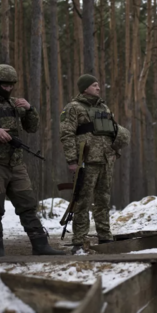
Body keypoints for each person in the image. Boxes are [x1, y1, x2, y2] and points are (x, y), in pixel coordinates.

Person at [0, 64, 65, 257]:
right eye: (4, 85)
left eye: (11, 86)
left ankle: (40, 245)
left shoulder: (14, 103)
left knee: (28, 204)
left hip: (16, 164)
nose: (8, 89)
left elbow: (32, 128)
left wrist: (30, 109)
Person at [60, 74, 130, 254]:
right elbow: (67, 134)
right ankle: (79, 241)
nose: (98, 88)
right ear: (84, 88)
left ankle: (105, 237)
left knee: (103, 201)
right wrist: (72, 160)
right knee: (82, 201)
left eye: (99, 85)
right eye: (94, 85)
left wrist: (115, 151)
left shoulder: (104, 107)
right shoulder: (73, 108)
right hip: (87, 161)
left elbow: (112, 131)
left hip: (106, 160)